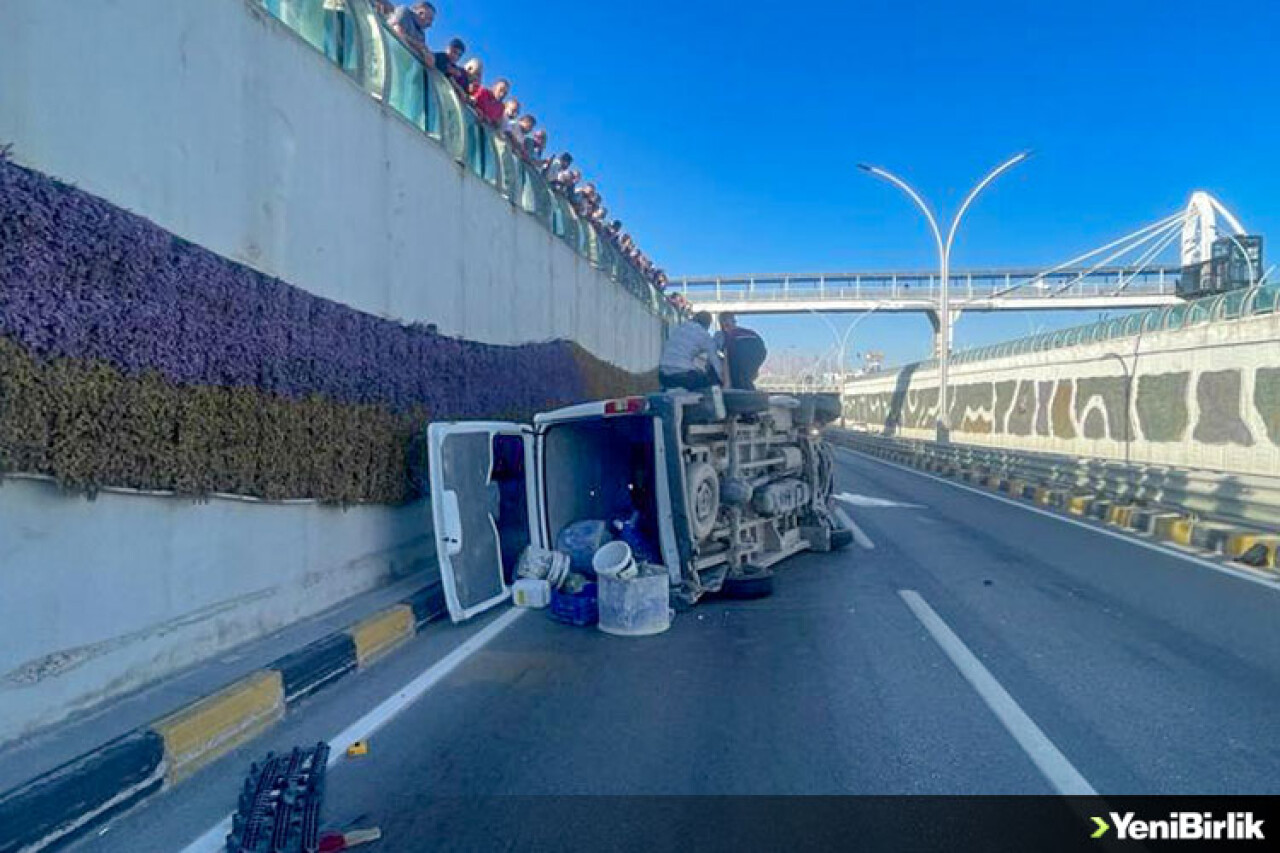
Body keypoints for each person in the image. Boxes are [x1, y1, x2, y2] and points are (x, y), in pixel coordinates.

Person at [659, 312, 724, 391]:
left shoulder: (680, 327)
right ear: (708, 325)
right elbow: (714, 361)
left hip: (663, 374)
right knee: (708, 383)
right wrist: (723, 380)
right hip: (683, 375)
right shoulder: (704, 335)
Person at [715, 312, 768, 390]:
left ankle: (741, 390)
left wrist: (727, 384)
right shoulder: (746, 332)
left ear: (722, 323)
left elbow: (726, 355)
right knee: (745, 377)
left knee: (737, 378)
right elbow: (761, 352)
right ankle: (749, 390)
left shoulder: (723, 334)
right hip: (760, 349)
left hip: (741, 347)